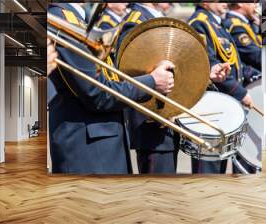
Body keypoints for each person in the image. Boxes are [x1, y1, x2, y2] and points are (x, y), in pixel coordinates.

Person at [47, 3, 175, 174]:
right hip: (90, 152)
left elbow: (106, 80)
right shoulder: (63, 20)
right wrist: (152, 82)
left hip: (99, 144)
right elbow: (97, 93)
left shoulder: (75, 19)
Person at [115, 3, 228, 174]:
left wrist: (207, 74)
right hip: (152, 125)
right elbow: (128, 73)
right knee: (157, 194)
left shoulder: (156, 19)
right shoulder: (135, 21)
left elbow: (176, 66)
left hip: (169, 121)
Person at [188, 3, 258, 174]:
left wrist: (259, 76)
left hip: (224, 110)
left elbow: (237, 65)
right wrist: (241, 93)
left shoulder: (216, 24)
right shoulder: (199, 23)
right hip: (211, 111)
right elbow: (208, 65)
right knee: (208, 174)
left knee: (220, 170)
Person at [223, 3, 261, 71]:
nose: (256, 5)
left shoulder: (246, 22)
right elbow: (254, 56)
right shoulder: (235, 25)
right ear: (240, 3)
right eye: (254, 2)